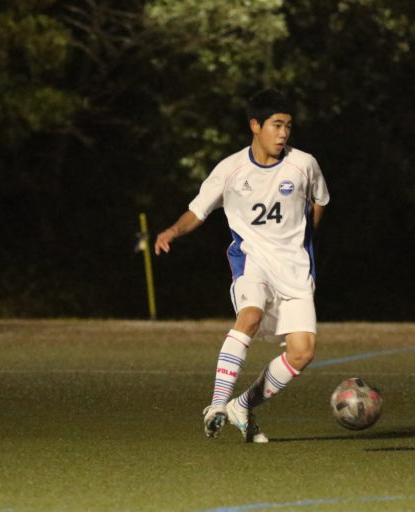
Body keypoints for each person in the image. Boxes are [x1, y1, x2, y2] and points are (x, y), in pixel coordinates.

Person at [154, 89, 330, 443]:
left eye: (288, 126)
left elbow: (320, 200)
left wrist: (304, 236)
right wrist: (173, 230)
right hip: (252, 261)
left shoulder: (304, 164)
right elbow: (198, 211)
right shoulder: (230, 169)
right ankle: (217, 405)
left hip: (294, 269)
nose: (283, 134)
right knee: (249, 316)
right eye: (276, 125)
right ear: (255, 126)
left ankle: (241, 406)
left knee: (302, 353)